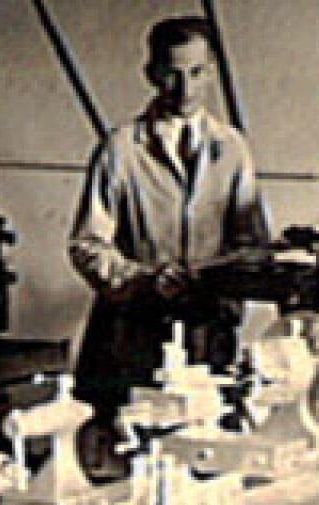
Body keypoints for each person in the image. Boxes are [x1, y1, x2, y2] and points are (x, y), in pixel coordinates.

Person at [67, 16, 270, 472]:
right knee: (124, 464)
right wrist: (142, 280)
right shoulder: (121, 149)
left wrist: (221, 286)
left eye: (197, 72)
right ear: (152, 74)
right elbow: (87, 243)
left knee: (204, 466)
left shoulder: (232, 150)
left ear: (212, 70)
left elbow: (253, 244)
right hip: (130, 337)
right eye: (174, 73)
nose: (186, 87)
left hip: (206, 336)